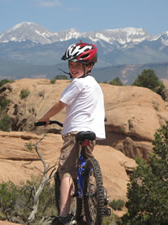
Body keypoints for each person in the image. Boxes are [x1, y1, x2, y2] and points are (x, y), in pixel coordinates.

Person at [38, 42, 106, 225]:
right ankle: (89, 209)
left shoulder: (78, 83)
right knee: (85, 168)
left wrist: (46, 118)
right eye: (71, 64)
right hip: (93, 132)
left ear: (89, 66)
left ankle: (64, 216)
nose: (73, 68)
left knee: (67, 170)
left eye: (78, 65)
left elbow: (61, 104)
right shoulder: (95, 85)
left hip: (74, 132)